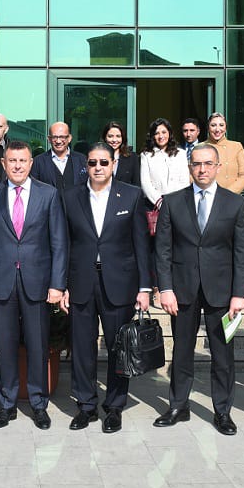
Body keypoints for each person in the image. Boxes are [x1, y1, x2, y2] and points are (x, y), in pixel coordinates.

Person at [154, 143, 244, 435]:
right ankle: (178, 406)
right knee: (182, 351)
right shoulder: (172, 202)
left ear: (218, 167)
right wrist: (165, 288)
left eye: (208, 163)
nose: (202, 169)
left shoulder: (235, 204)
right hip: (182, 290)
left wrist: (239, 294)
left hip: (222, 293)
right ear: (190, 167)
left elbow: (242, 254)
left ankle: (222, 411)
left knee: (222, 354)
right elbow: (162, 250)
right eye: (197, 164)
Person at [0, 141, 68, 430]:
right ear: (3, 164)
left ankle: (39, 404)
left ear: (31, 164)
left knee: (38, 345)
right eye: (12, 161)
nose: (17, 165)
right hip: (1, 283)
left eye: (22, 160)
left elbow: (59, 242)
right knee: (4, 346)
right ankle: (7, 404)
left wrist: (57, 284)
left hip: (37, 283)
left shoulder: (48, 194)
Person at [61, 144, 151, 433]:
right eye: (92, 163)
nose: (98, 167)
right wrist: (61, 285)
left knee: (118, 348)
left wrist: (145, 287)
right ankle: (86, 405)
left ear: (113, 164)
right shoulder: (70, 196)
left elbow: (141, 244)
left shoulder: (132, 195)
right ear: (85, 166)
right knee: (82, 348)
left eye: (103, 162)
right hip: (81, 282)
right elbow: (64, 244)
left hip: (120, 284)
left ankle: (114, 406)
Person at [140, 117, 192, 212]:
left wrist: (175, 203)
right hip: (155, 206)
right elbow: (146, 184)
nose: (161, 136)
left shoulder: (181, 154)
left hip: (178, 205)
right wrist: (161, 204)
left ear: (169, 133)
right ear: (152, 136)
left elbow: (184, 182)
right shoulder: (146, 156)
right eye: (157, 133)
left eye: (164, 132)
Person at [32, 121, 88, 191]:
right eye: (54, 137)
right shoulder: (38, 162)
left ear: (69, 138)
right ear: (49, 139)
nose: (58, 141)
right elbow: (34, 189)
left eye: (62, 137)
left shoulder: (82, 159)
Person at [205, 112, 244, 194]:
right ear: (208, 128)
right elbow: (192, 175)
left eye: (221, 125)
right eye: (213, 125)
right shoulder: (200, 147)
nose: (217, 129)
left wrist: (228, 193)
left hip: (232, 196)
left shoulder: (236, 146)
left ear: (226, 128)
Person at [103, 121, 138, 186]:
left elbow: (136, 184)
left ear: (123, 138)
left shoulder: (132, 157)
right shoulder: (99, 156)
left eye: (118, 136)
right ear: (105, 138)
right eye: (110, 136)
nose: (114, 140)